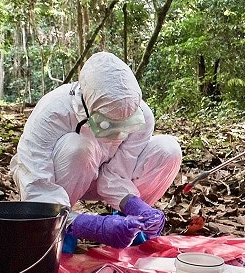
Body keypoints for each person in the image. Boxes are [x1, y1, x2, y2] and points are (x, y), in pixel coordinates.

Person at [10, 51, 182, 253]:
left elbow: (117, 174)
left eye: (127, 121)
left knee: (168, 149)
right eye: (110, 123)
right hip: (65, 178)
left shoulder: (142, 115)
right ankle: (62, 226)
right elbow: (35, 183)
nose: (119, 131)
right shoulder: (52, 112)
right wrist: (88, 225)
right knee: (79, 148)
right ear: (87, 104)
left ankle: (131, 223)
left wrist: (135, 206)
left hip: (101, 178)